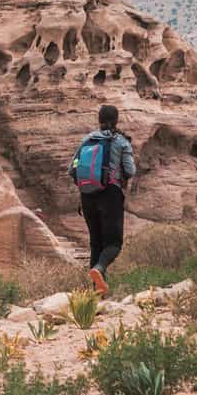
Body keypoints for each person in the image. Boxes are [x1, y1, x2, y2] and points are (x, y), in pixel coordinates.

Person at [68, 103, 136, 295]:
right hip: (110, 195)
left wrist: (86, 188)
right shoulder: (121, 141)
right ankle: (99, 269)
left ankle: (97, 293)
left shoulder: (87, 140)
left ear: (99, 120)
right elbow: (130, 170)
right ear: (116, 120)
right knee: (114, 244)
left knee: (95, 243)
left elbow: (73, 168)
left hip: (87, 196)